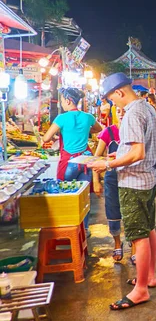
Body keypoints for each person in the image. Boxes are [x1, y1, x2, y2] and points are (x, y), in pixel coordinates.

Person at [88, 73, 156, 311]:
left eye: (111, 99)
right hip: (148, 179)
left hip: (134, 183)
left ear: (119, 92)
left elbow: (137, 153)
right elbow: (138, 149)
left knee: (138, 236)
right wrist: (117, 156)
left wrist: (107, 164)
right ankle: (148, 277)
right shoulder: (148, 108)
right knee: (148, 229)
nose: (112, 104)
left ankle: (140, 291)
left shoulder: (132, 114)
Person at [43, 88, 103, 234]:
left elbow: (45, 138)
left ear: (68, 101)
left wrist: (59, 135)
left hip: (68, 162)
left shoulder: (61, 119)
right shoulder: (87, 117)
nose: (62, 103)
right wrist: (84, 132)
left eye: (63, 100)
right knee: (84, 197)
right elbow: (98, 129)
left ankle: (67, 227)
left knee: (64, 195)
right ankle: (85, 229)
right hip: (85, 161)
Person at [94, 106, 135, 263]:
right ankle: (117, 244)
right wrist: (96, 181)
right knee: (113, 211)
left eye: (125, 111)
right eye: (119, 111)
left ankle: (135, 247)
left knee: (132, 212)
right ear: (114, 114)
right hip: (111, 178)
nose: (122, 114)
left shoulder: (134, 131)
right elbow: (96, 157)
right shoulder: (108, 132)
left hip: (131, 177)